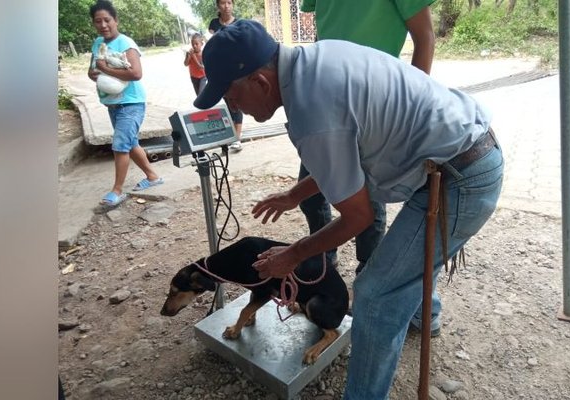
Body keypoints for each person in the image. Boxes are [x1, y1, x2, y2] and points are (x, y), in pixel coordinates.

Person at [193, 20, 503, 400]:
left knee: (374, 295)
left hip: (460, 176)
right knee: (401, 276)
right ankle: (416, 312)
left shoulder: (311, 111)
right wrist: (295, 195)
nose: (232, 106)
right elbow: (343, 156)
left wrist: (292, 255)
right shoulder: (313, 61)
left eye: (231, 94)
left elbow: (359, 217)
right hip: (457, 155)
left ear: (260, 81)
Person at [299, 0, 439, 336]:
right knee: (310, 194)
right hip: (326, 99)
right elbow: (324, 30)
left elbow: (425, 37)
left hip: (375, 104)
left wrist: (409, 104)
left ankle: (376, 286)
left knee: (368, 203)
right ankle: (322, 269)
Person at [87, 0, 163, 207]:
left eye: (107, 20)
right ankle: (153, 176)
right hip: (112, 104)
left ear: (115, 20)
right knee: (130, 143)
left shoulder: (126, 43)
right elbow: (91, 70)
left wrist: (104, 69)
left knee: (120, 145)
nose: (103, 25)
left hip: (132, 103)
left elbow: (136, 73)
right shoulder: (97, 43)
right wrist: (96, 72)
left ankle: (117, 190)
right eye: (98, 21)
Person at [207, 0, 243, 152]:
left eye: (229, 2)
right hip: (219, 69)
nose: (226, 6)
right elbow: (211, 44)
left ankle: (237, 138)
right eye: (223, 3)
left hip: (236, 69)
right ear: (218, 6)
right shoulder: (214, 24)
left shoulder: (239, 23)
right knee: (227, 103)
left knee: (237, 102)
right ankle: (230, 135)